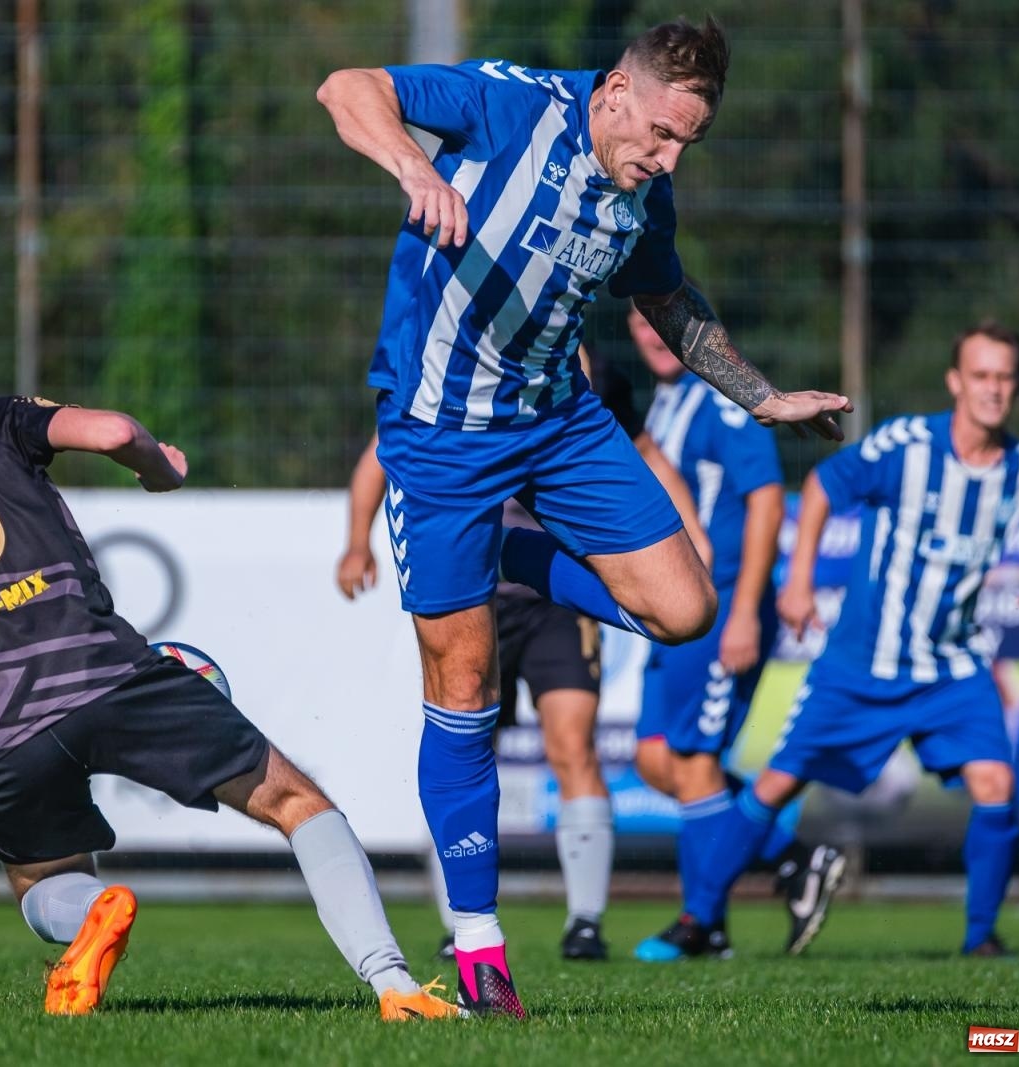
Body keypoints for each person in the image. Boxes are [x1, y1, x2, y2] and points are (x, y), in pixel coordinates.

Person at [317, 16, 850, 1015]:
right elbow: (346, 87)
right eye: (656, 132)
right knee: (463, 679)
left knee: (685, 609)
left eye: (686, 141)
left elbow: (668, 299)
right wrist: (411, 168)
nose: (666, 155)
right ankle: (477, 944)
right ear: (613, 91)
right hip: (439, 432)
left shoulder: (648, 188)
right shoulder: (509, 104)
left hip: (559, 422)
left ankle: (500, 557)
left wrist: (763, 397)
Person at [0, 296, 459, 1022]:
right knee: (298, 802)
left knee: (38, 887)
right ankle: (396, 988)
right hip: (108, 680)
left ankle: (98, 908)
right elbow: (114, 430)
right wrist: (158, 465)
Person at [680, 321, 1019, 957]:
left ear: (1017, 386)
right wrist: (799, 581)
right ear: (955, 382)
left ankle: (981, 942)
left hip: (952, 666)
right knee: (775, 785)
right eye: (981, 376)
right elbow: (826, 486)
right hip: (862, 663)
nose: (993, 390)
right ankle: (699, 921)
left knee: (997, 783)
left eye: (1004, 377)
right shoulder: (908, 446)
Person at [336, 349, 709, 964]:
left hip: (556, 599)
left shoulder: (586, 383)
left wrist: (687, 536)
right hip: (474, 592)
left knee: (572, 745)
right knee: (463, 736)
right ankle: (465, 923)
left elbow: (646, 454)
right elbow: (382, 453)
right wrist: (356, 542)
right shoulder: (446, 361)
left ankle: (584, 920)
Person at [623, 305, 837, 960]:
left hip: (720, 610)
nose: (652, 335)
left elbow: (768, 499)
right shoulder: (660, 405)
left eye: (660, 321)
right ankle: (793, 855)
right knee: (657, 760)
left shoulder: (721, 400)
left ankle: (703, 921)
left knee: (691, 761)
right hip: (677, 612)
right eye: (638, 324)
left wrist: (744, 611)